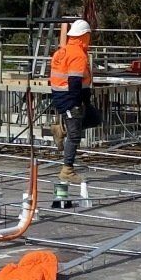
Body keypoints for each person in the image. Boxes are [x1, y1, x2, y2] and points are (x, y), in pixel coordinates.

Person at [48, 17, 94, 184]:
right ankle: (67, 170)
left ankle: (60, 129)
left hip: (60, 96)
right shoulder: (78, 55)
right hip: (70, 98)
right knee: (75, 135)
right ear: (84, 36)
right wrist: (77, 102)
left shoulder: (62, 51)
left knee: (92, 118)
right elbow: (74, 81)